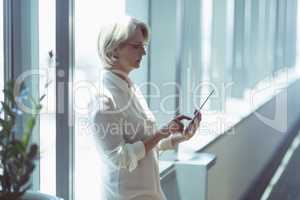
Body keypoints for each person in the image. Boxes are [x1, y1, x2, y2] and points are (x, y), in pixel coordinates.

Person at [89, 16, 202, 200]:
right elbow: (120, 158)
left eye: (144, 46)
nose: (144, 52)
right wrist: (161, 134)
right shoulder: (103, 98)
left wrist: (178, 138)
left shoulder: (131, 88)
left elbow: (144, 148)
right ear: (114, 49)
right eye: (136, 46)